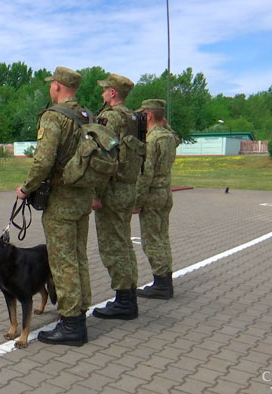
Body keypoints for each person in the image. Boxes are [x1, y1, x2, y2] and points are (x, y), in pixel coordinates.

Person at [16, 66, 93, 346]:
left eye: (52, 85)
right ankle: (80, 311)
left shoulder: (54, 117)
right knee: (78, 256)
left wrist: (26, 188)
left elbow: (43, 160)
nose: (50, 88)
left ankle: (71, 324)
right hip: (83, 198)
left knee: (62, 261)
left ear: (58, 86)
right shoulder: (87, 116)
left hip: (61, 200)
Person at [91, 74, 143, 320]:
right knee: (123, 243)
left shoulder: (110, 118)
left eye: (105, 90)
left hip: (111, 190)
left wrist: (96, 194)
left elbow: (104, 158)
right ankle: (128, 297)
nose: (102, 94)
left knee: (112, 246)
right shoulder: (133, 118)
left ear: (113, 93)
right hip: (128, 187)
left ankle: (124, 301)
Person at [134, 99, 180, 299]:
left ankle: (161, 283)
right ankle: (166, 281)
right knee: (162, 237)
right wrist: (162, 120)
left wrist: (137, 201)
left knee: (151, 240)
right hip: (165, 192)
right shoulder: (168, 136)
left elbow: (145, 174)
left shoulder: (151, 140)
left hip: (152, 194)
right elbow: (175, 136)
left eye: (143, 115)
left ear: (149, 115)